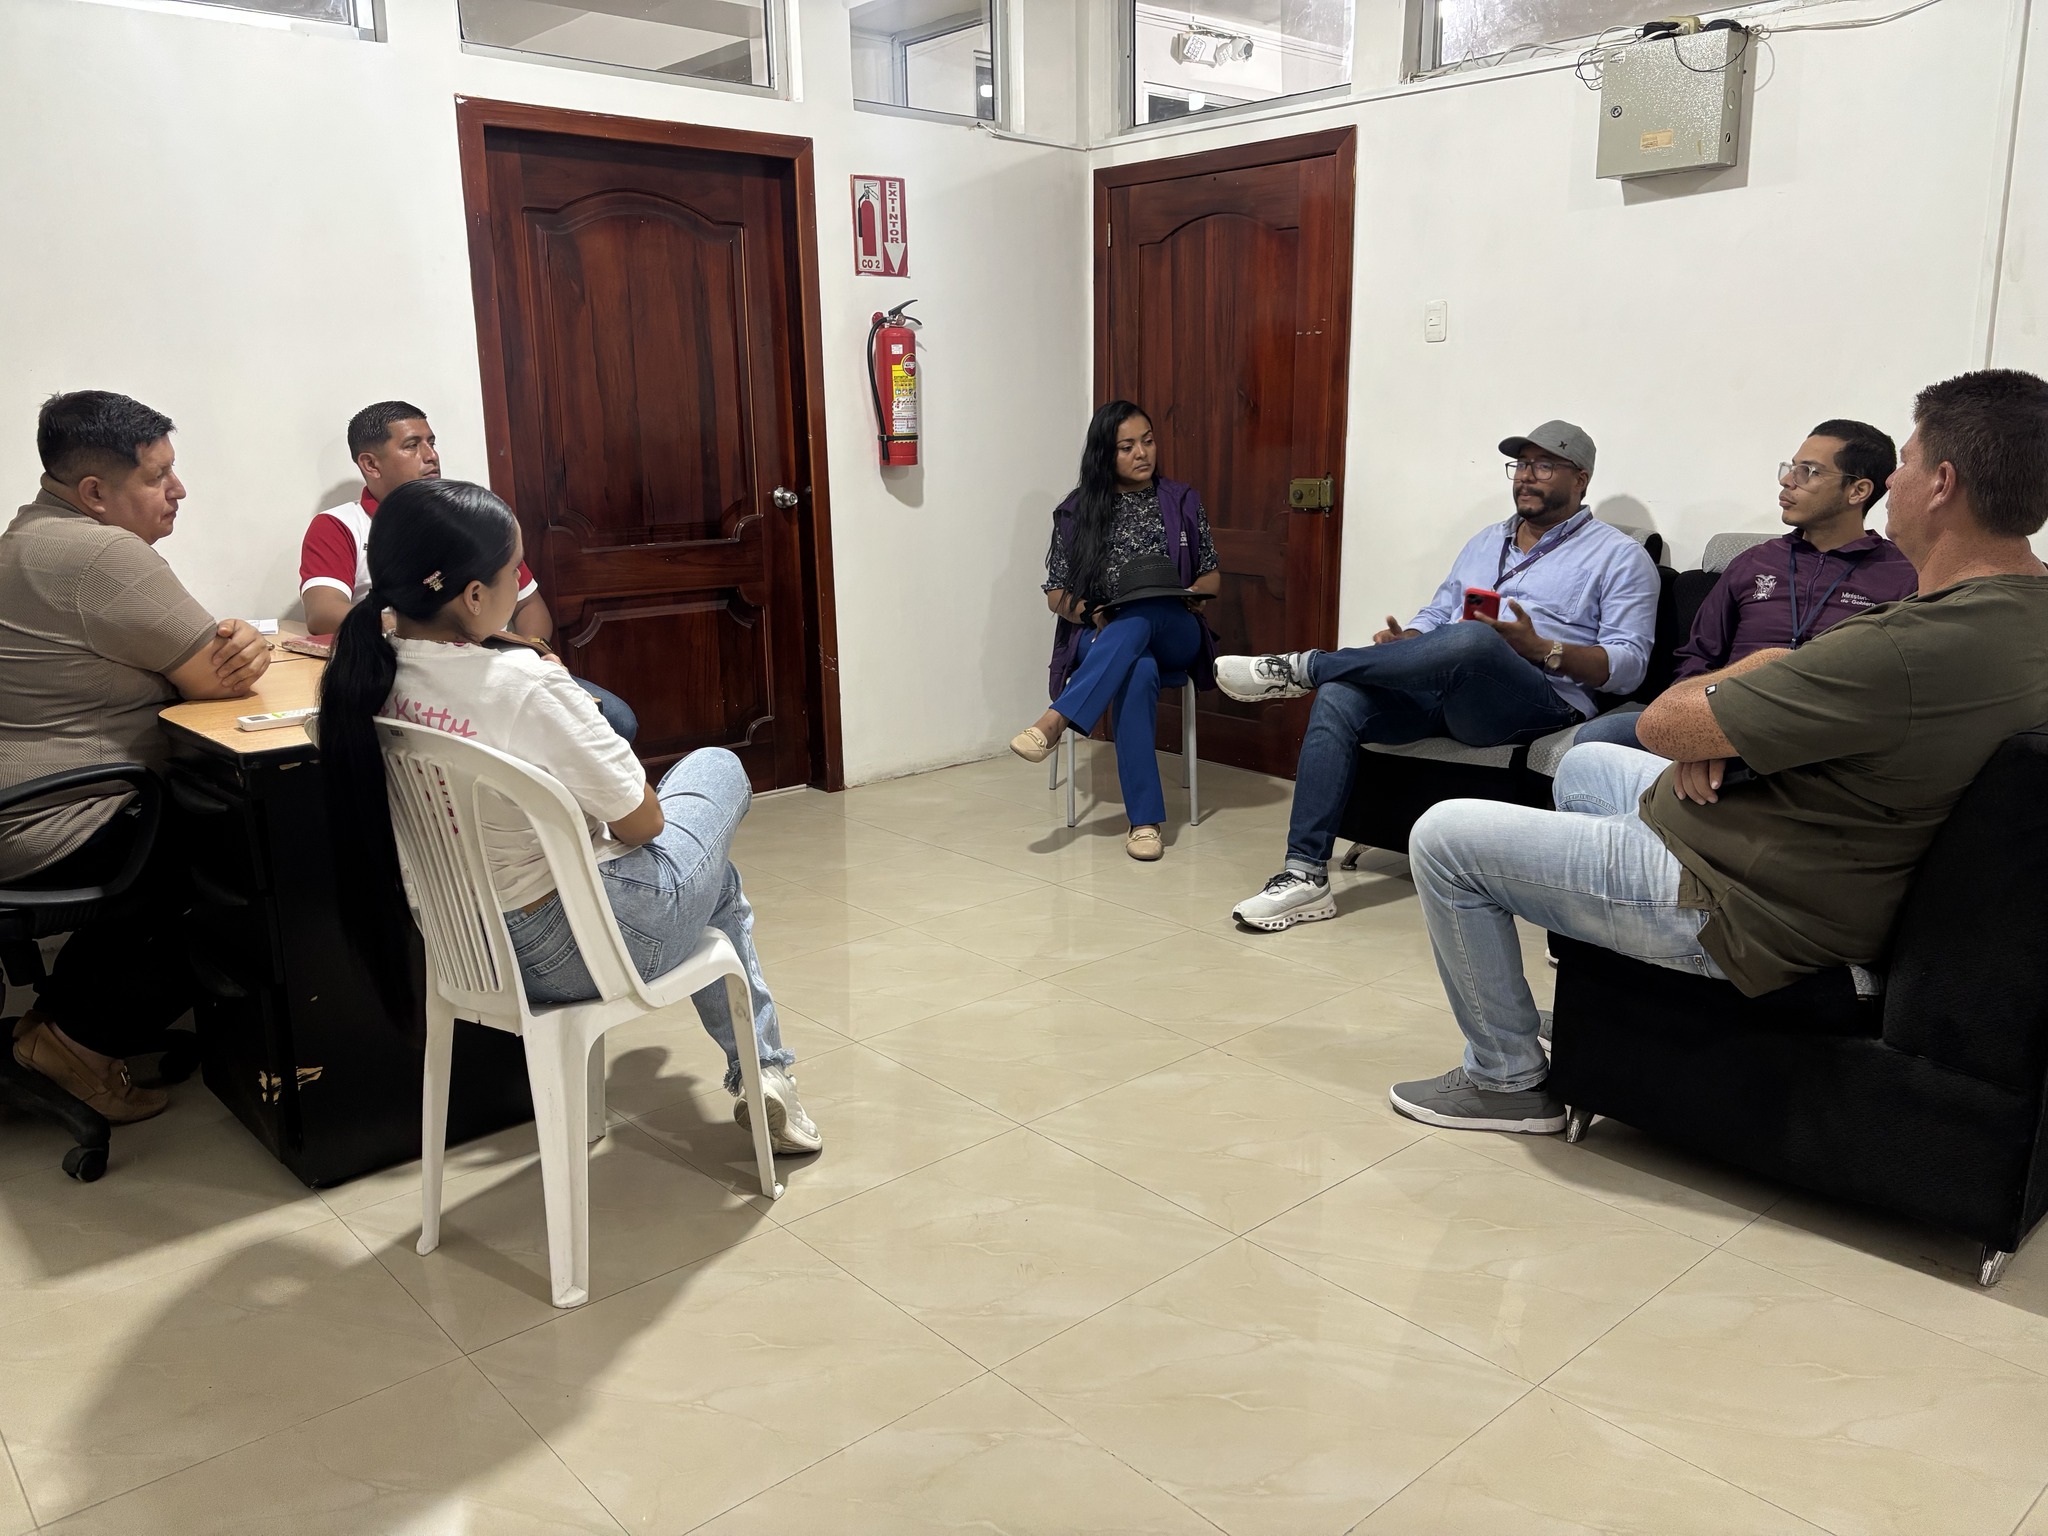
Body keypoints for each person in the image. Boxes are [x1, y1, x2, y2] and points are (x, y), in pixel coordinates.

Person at [1385, 370, 2048, 1135]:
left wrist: (1757, 677)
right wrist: (1735, 730)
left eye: (1904, 462)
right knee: (1588, 762)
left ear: (1941, 484)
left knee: (1445, 838)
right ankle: (1597, 998)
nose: (1893, 480)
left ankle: (1504, 1080)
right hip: (1790, 837)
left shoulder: (1904, 643)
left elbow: (1665, 724)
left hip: (1747, 903)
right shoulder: (2020, 611)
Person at [315, 477, 819, 1152]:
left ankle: (766, 1074)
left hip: (467, 951)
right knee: (715, 770)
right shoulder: (520, 684)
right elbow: (643, 824)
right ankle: (766, 1075)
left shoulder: (364, 679)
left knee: (715, 883)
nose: (521, 585)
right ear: (473, 597)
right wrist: (564, 698)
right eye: (513, 570)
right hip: (577, 949)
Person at [1219, 420, 1659, 930]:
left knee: (1476, 638)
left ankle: (1304, 667)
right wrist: (1410, 640)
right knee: (1341, 696)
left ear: (1580, 479)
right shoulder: (1485, 541)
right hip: (1449, 689)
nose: (1525, 477)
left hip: (1536, 700)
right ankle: (1305, 876)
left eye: (1544, 466)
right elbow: (1438, 612)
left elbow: (1629, 667)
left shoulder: (1620, 557)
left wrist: (1542, 648)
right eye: (1520, 465)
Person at [0, 391, 271, 1123]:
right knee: (248, 854)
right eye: (158, 476)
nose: (178, 490)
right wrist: (242, 647)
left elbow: (197, 655)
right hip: (62, 816)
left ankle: (57, 1021)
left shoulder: (25, 537)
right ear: (94, 492)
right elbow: (217, 675)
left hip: (22, 807)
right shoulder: (101, 552)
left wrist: (225, 648)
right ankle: (76, 1043)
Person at [300, 401, 641, 743]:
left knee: (613, 718)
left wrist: (532, 653)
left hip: (489, 661)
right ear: (370, 464)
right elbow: (322, 613)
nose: (430, 455)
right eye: (412, 445)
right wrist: (409, 628)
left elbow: (529, 603)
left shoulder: (466, 519)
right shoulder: (341, 525)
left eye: (431, 442)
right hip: (407, 667)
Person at [1578, 419, 1915, 749]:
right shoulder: (1756, 561)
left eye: (1808, 472)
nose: (1787, 481)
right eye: (1790, 468)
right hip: (1728, 713)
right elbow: (1698, 656)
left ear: (1858, 491)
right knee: (1600, 736)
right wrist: (1695, 733)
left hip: (1823, 731)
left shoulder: (1900, 574)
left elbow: (1897, 685)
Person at [1011, 401, 1219, 861]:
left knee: (1146, 610)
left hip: (1175, 629)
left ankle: (1056, 719)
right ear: (1105, 454)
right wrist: (1090, 613)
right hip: (1103, 629)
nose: (1142, 453)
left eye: (1148, 441)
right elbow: (1056, 593)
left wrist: (1190, 592)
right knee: (1136, 668)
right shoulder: (1077, 511)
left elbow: (1212, 574)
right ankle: (1144, 823)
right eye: (1127, 447)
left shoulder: (1181, 500)